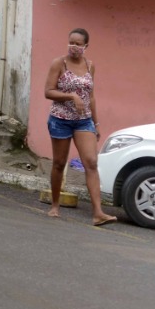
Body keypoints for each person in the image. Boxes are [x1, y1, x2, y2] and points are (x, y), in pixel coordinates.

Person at [44, 27, 117, 226]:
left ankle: (98, 213)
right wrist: (71, 95)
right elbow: (48, 91)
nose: (73, 47)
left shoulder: (90, 65)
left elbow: (91, 96)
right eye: (71, 42)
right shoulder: (59, 63)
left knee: (91, 162)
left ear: (86, 46)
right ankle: (55, 205)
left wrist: (96, 121)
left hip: (84, 120)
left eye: (78, 44)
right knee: (59, 163)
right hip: (60, 119)